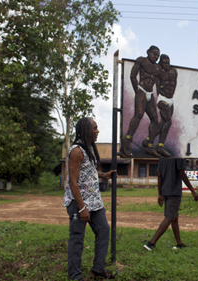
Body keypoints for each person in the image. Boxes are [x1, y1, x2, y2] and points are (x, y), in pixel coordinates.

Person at [63, 117, 117, 281]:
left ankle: (98, 269)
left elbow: (88, 173)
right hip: (79, 204)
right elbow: (73, 181)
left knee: (103, 230)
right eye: (95, 128)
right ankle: (75, 276)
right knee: (77, 238)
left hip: (94, 203)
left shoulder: (88, 149)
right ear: (86, 130)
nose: (98, 131)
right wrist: (81, 208)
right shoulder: (76, 151)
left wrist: (103, 175)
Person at [144, 158, 198, 251]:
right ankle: (151, 243)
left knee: (174, 217)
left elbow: (159, 176)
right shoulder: (179, 156)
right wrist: (193, 191)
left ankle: (179, 243)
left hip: (165, 191)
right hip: (174, 192)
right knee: (169, 217)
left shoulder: (163, 157)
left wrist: (160, 194)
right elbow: (182, 173)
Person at [120, 45, 162, 158]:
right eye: (154, 54)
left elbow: (158, 83)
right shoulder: (141, 60)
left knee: (155, 121)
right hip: (141, 90)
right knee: (138, 115)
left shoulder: (158, 68)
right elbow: (133, 76)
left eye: (158, 56)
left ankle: (148, 144)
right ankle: (127, 140)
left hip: (150, 93)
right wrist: (137, 90)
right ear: (148, 52)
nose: (156, 57)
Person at [146, 54, 178, 157]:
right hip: (162, 99)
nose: (166, 65)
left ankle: (148, 141)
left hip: (170, 99)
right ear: (161, 63)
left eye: (168, 62)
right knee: (168, 122)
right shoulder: (159, 72)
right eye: (164, 63)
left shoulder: (174, 71)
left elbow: (174, 82)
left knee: (163, 124)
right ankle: (160, 147)